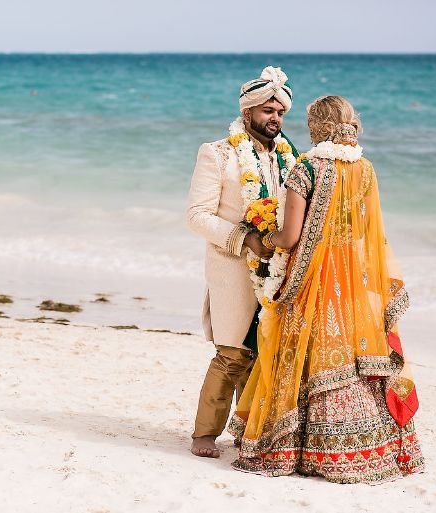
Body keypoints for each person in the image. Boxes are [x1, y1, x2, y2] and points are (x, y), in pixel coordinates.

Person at [228, 95, 425, 483]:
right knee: (350, 356)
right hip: (351, 277)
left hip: (312, 276)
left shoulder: (307, 167)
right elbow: (366, 233)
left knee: (302, 354)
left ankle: (299, 449)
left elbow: (288, 237)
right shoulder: (365, 168)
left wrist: (257, 234)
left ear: (315, 126)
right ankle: (367, 445)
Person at [187, 66, 299, 458]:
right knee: (232, 352)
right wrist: (246, 239)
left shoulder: (289, 156)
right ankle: (204, 433)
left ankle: (248, 430)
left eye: (280, 112)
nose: (276, 119)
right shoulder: (217, 152)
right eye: (268, 111)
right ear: (248, 111)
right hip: (232, 266)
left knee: (263, 352)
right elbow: (197, 215)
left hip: (276, 269)